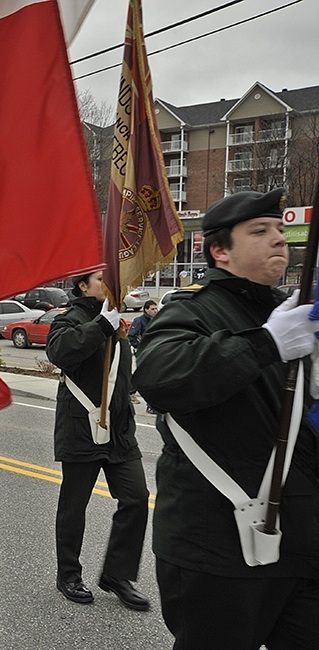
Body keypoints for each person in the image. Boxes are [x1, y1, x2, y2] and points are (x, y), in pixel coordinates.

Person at [134, 188, 319, 648]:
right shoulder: (192, 309)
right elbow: (159, 376)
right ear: (220, 251)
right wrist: (265, 344)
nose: (279, 238)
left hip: (301, 542)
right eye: (259, 231)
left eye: (280, 229)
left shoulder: (289, 312)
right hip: (218, 548)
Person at [45, 270, 150, 611]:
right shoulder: (70, 319)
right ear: (83, 286)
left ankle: (117, 575)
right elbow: (60, 352)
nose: (111, 282)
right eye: (103, 278)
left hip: (118, 431)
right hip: (82, 428)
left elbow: (121, 372)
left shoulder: (116, 318)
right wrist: (102, 325)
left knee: (136, 498)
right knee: (74, 508)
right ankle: (69, 575)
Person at [127, 299, 158, 413]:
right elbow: (131, 336)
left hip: (154, 351)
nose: (155, 311)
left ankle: (133, 392)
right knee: (147, 376)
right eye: (152, 309)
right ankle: (133, 394)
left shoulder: (155, 320)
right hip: (143, 352)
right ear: (146, 310)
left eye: (156, 308)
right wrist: (140, 347)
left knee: (149, 376)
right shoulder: (139, 320)